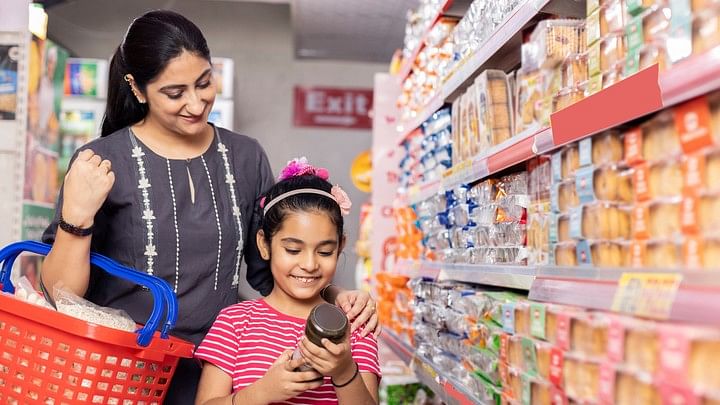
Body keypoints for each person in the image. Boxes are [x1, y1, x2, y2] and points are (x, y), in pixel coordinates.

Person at [39, 10, 378, 403]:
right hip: (117, 376)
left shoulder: (244, 157)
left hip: (214, 374)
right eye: (174, 92)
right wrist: (75, 220)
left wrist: (339, 298)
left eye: (204, 83)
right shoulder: (100, 161)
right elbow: (60, 295)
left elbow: (271, 266)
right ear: (137, 88)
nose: (197, 103)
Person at [195, 160, 380, 405]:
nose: (310, 264)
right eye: (293, 250)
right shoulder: (235, 322)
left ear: (340, 247)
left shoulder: (354, 326)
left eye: (325, 252)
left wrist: (344, 371)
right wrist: (261, 393)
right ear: (264, 244)